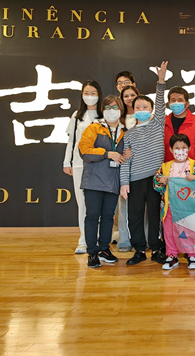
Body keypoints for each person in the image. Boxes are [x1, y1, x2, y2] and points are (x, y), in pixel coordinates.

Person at [120, 61, 168, 266]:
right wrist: (124, 182)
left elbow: (160, 102)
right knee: (135, 216)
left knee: (156, 215)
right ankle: (139, 250)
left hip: (156, 178)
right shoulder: (128, 134)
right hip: (135, 180)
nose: (141, 109)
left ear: (151, 109)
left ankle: (156, 249)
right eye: (138, 107)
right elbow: (125, 161)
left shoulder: (157, 124)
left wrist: (161, 81)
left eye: (145, 107)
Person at [78, 95, 128, 268]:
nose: (112, 111)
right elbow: (84, 151)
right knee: (92, 216)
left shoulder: (124, 131)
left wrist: (128, 154)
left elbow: (127, 154)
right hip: (94, 180)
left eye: (115, 108)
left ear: (121, 110)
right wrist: (107, 153)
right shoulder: (94, 128)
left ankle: (104, 249)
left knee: (108, 217)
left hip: (113, 181)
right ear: (102, 110)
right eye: (108, 107)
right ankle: (92, 252)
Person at [154, 134, 195, 270]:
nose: (180, 151)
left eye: (184, 147)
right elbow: (156, 184)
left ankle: (192, 255)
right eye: (177, 148)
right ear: (171, 150)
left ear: (189, 148)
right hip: (170, 206)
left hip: (189, 207)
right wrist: (161, 180)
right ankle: (172, 255)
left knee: (190, 230)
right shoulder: (165, 167)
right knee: (169, 231)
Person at [63, 80, 103, 254]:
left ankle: (99, 239)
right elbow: (71, 141)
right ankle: (84, 240)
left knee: (98, 204)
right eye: (86, 93)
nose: (90, 96)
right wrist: (67, 162)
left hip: (100, 165)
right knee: (82, 203)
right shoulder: (77, 115)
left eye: (93, 93)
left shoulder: (104, 115)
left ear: (99, 95)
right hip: (80, 164)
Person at [114, 84, 140, 252]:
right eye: (126, 96)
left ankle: (143, 238)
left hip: (141, 165)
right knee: (123, 204)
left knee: (142, 205)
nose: (129, 98)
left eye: (132, 95)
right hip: (123, 164)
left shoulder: (145, 116)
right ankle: (124, 239)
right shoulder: (118, 119)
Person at [164, 86, 195, 164]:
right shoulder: (163, 122)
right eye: (173, 100)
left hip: (191, 167)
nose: (176, 102)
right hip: (168, 167)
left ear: (187, 104)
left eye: (180, 100)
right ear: (169, 104)